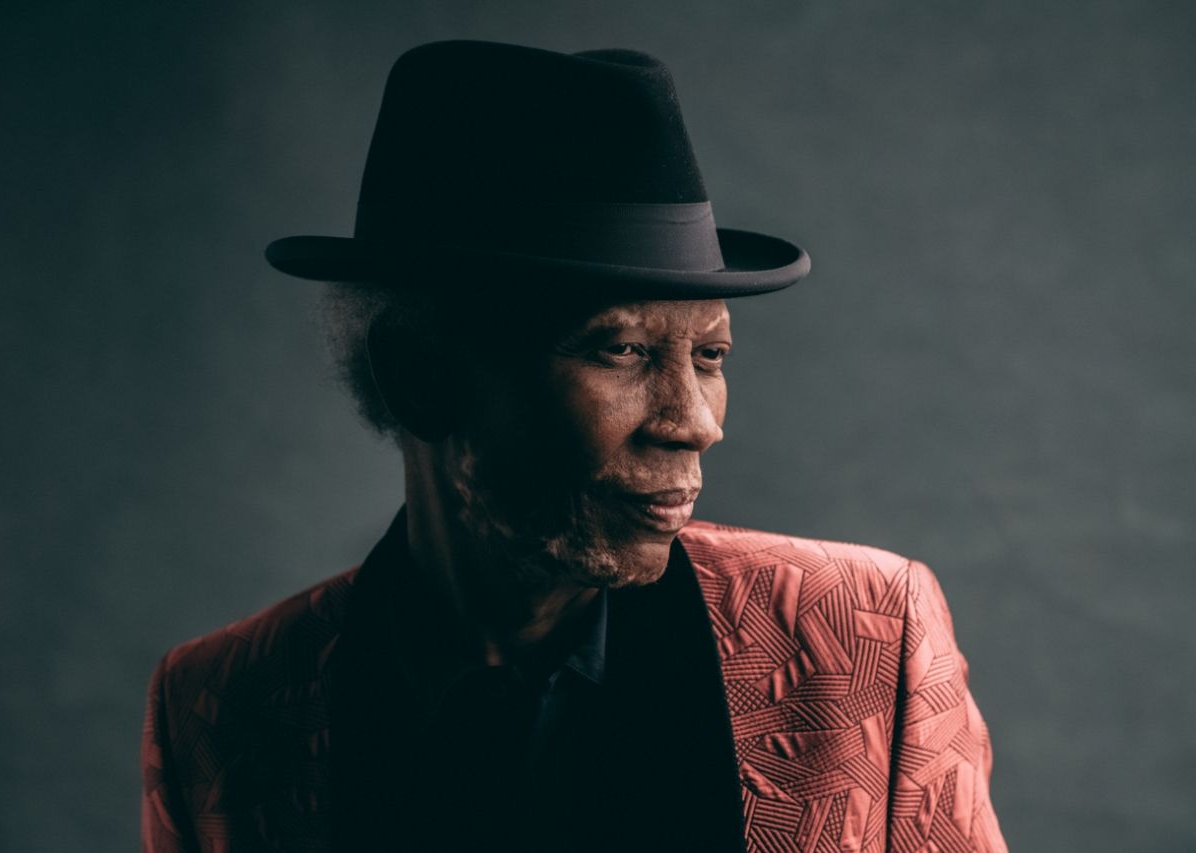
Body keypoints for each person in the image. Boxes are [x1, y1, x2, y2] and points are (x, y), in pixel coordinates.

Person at [140, 40, 1007, 853]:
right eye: (621, 349)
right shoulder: (220, 706)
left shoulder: (863, 635)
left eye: (710, 356)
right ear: (420, 377)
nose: (696, 420)